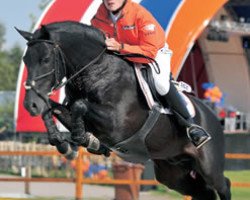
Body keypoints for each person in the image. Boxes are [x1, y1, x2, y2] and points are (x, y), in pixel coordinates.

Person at [91, 0, 211, 148]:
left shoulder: (140, 15)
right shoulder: (100, 16)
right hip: (121, 54)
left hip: (153, 54)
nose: (110, 0)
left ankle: (190, 126)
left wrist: (120, 47)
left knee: (160, 84)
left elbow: (149, 51)